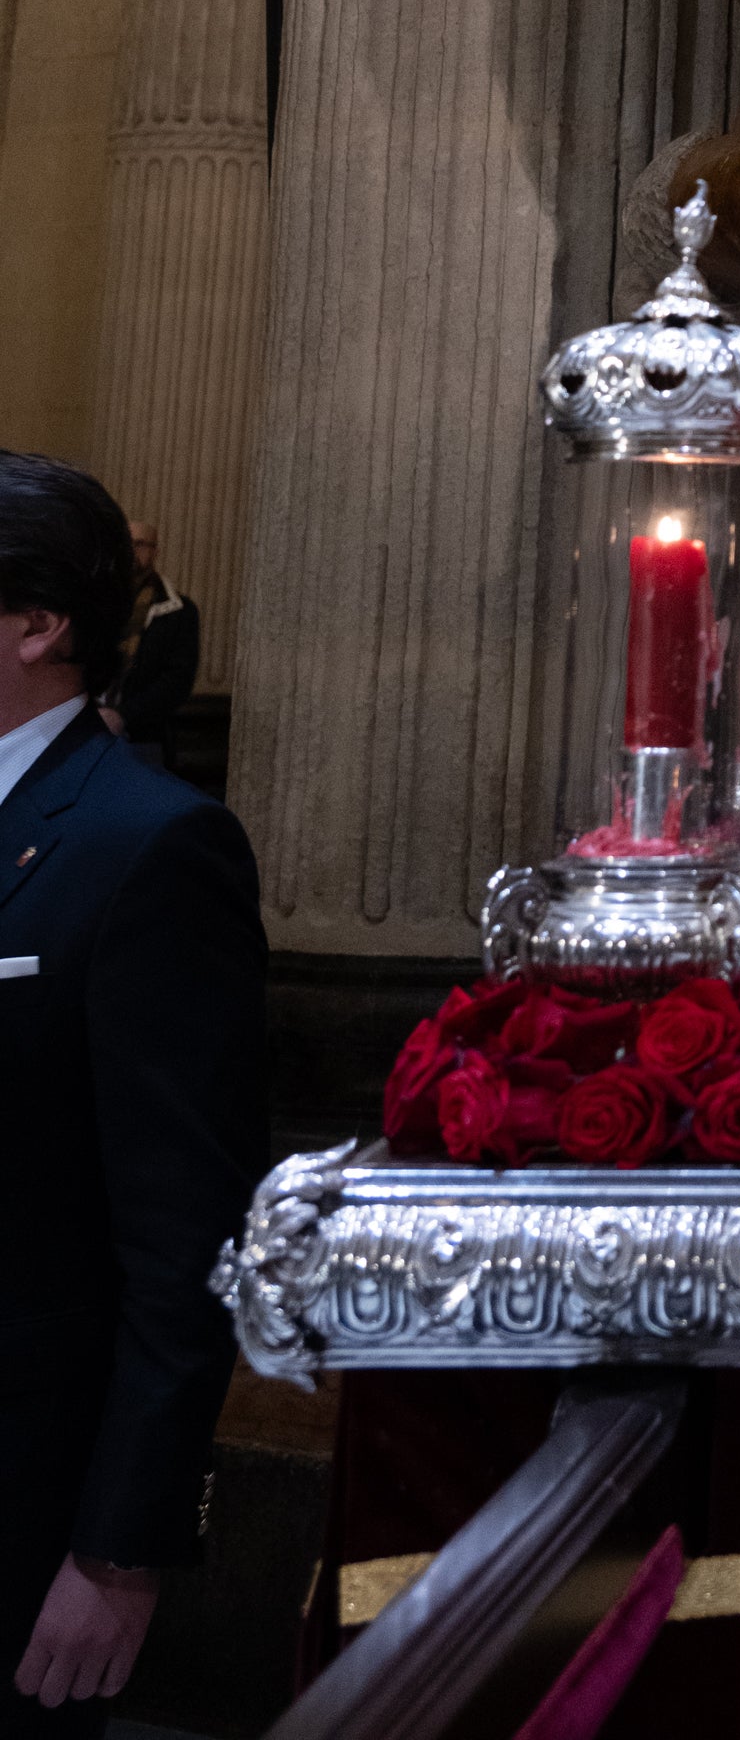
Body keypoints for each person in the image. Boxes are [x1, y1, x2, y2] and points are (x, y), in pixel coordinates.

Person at [0, 454, 266, 1727]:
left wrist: (121, 1548)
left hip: (24, 1506)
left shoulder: (147, 844)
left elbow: (186, 1239)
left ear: (39, 625)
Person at [111, 525, 199, 767]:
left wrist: (123, 716)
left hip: (143, 737)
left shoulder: (179, 611)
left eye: (140, 544)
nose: (131, 551)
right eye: (126, 543)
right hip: (88, 729)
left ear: (154, 551)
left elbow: (177, 681)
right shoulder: (97, 603)